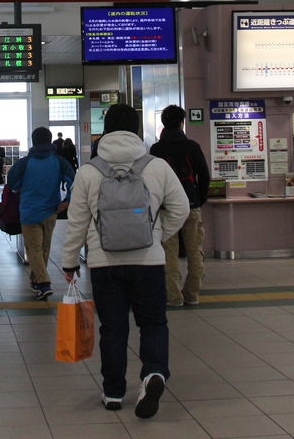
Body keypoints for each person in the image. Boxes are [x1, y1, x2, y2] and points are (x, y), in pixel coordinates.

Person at [60, 104, 189, 419]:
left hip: (105, 264)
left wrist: (68, 262)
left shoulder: (89, 171)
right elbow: (181, 207)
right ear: (136, 130)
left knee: (113, 328)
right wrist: (157, 235)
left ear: (105, 129)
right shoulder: (156, 166)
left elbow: (76, 221)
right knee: (154, 323)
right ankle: (153, 375)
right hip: (149, 261)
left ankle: (114, 392)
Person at [150, 104, 210, 307]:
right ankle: (192, 294)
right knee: (195, 251)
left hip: (166, 208)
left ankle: (173, 296)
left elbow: (153, 181)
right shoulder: (192, 147)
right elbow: (204, 176)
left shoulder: (157, 149)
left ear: (163, 123)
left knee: (169, 253)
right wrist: (198, 200)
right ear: (182, 123)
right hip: (191, 206)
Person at [6, 126, 76, 299]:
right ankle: (36, 281)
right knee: (44, 248)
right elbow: (73, 180)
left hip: (29, 211)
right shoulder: (59, 161)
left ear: (33, 140)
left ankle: (44, 284)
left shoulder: (24, 162)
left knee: (34, 249)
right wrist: (67, 201)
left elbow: (11, 180)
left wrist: (18, 189)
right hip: (51, 210)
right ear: (50, 139)